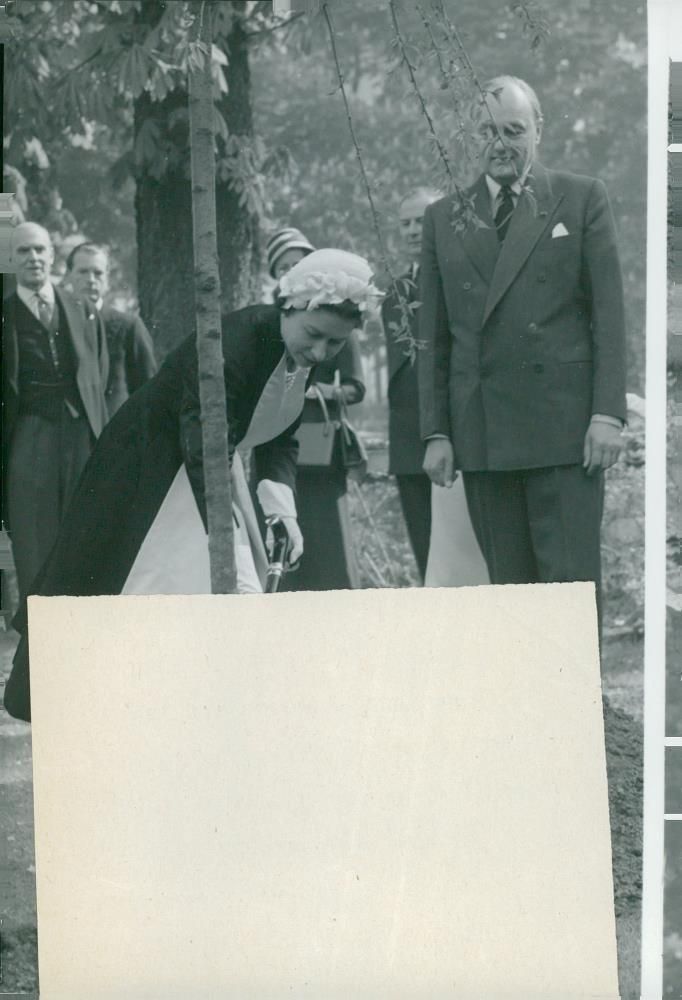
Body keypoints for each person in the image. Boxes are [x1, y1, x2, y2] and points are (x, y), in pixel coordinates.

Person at [4, 248, 379, 722]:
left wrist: (282, 511)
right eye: (316, 336)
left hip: (203, 467)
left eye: (336, 344)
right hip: (151, 473)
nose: (322, 353)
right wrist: (232, 536)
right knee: (154, 584)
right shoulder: (234, 345)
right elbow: (203, 443)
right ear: (290, 306)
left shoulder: (298, 349)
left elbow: (282, 434)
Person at [418, 76, 626, 618]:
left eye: (514, 129)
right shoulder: (444, 218)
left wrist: (608, 413)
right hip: (484, 431)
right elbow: (434, 336)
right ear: (471, 137)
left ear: (538, 129)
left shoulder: (581, 198)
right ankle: (529, 700)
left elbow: (609, 316)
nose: (500, 143)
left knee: (568, 583)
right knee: (511, 592)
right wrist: (436, 430)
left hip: (564, 430)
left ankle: (580, 701)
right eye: (488, 131)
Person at [2, 221, 109, 600]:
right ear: (11, 260)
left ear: (52, 255)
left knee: (85, 537)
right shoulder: (6, 314)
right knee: (34, 542)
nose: (33, 258)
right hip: (29, 436)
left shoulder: (81, 308)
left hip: (80, 436)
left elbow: (98, 375)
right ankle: (39, 637)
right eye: (23, 251)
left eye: (40, 250)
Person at [266, 227, 366, 591]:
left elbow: (356, 387)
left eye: (298, 264)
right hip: (277, 442)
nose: (290, 271)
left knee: (328, 535)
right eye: (283, 267)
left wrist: (311, 390)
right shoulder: (271, 321)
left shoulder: (338, 317)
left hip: (321, 447)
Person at [65, 241, 157, 417]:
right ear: (69, 276)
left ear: (107, 278)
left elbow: (149, 387)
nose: (91, 280)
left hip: (115, 430)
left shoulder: (128, 326)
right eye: (83, 272)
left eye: (98, 273)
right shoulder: (58, 324)